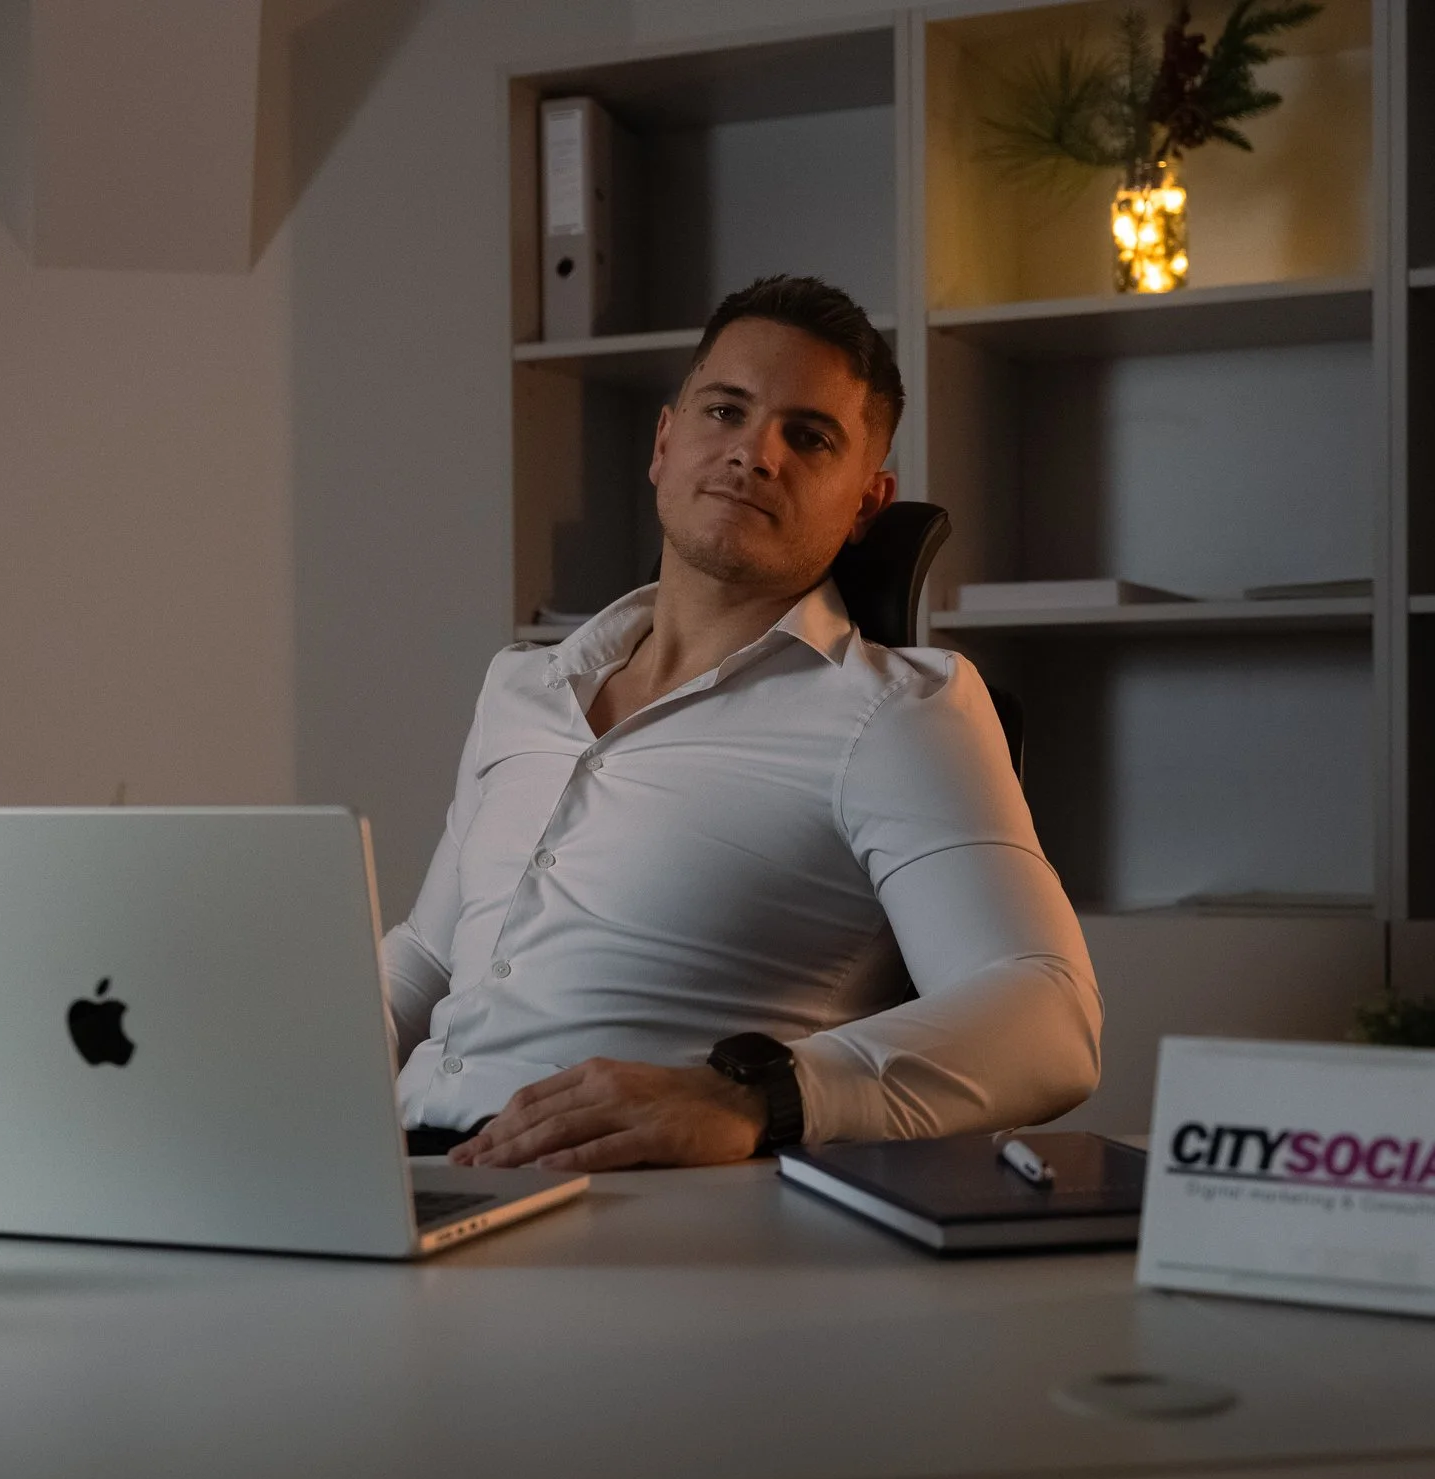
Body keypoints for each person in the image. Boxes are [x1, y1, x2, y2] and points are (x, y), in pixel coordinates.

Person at [381, 274, 1101, 1171]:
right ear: (664, 441)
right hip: (394, 1169)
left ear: (866, 506)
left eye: (809, 436)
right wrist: (262, 1067)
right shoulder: (521, 685)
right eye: (725, 411)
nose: (755, 453)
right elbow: (426, 957)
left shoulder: (898, 713)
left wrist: (754, 1094)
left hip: (618, 1200)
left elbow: (1047, 1012)